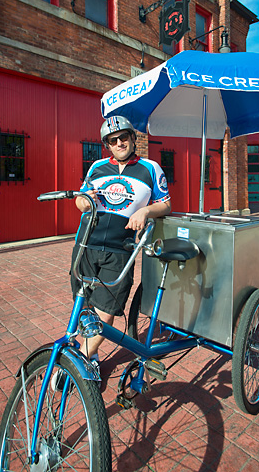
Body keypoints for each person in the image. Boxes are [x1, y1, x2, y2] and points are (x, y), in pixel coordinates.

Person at [71, 116, 171, 369]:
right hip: (85, 244)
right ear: (108, 145)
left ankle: (81, 359)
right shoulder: (97, 167)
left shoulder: (150, 168)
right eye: (113, 140)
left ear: (132, 138)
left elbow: (166, 203)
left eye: (123, 137)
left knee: (108, 305)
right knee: (84, 300)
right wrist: (85, 200)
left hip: (120, 248)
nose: (119, 143)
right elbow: (80, 202)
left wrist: (146, 212)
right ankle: (90, 352)